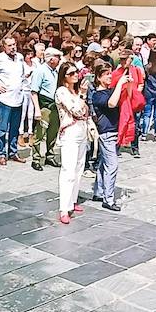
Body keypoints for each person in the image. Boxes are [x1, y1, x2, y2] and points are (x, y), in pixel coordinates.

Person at [54, 62, 90, 225]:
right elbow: (75, 110)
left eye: (77, 72)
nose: (76, 75)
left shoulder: (75, 91)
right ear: (64, 77)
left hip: (81, 131)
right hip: (69, 133)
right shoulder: (61, 91)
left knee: (79, 167)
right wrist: (82, 95)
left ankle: (72, 200)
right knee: (68, 170)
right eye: (72, 73)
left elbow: (84, 110)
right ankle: (64, 208)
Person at [89, 62, 126, 212]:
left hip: (114, 131)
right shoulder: (98, 95)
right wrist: (120, 84)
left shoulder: (110, 90)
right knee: (112, 165)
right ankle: (108, 199)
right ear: (98, 77)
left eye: (110, 73)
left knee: (104, 163)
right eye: (106, 74)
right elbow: (111, 103)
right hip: (106, 132)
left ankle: (98, 192)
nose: (110, 76)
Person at [0, 36, 25, 165]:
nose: (12, 47)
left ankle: (13, 152)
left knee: (15, 128)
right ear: (4, 47)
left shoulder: (20, 57)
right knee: (2, 128)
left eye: (14, 44)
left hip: (18, 98)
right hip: (5, 99)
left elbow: (22, 74)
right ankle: (1, 153)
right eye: (9, 45)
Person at [29, 46, 61, 169]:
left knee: (53, 133)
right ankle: (36, 158)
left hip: (55, 105)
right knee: (40, 133)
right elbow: (34, 91)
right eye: (57, 57)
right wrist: (37, 109)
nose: (59, 59)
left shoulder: (56, 71)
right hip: (44, 105)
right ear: (51, 59)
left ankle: (50, 156)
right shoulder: (40, 71)